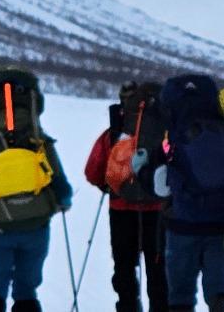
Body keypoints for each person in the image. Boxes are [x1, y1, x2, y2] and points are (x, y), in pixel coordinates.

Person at [0, 67, 76, 312]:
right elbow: (59, 180)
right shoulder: (38, 138)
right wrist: (63, 198)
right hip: (35, 224)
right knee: (26, 292)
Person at [156, 74, 224, 312]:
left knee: (181, 295)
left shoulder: (171, 132)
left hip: (181, 224)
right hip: (221, 223)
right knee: (219, 291)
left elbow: (156, 172)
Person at [83, 82, 170, 312]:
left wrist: (110, 185)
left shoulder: (115, 131)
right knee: (159, 268)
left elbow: (92, 171)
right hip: (159, 210)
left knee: (124, 266)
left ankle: (128, 306)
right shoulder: (166, 132)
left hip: (121, 208)